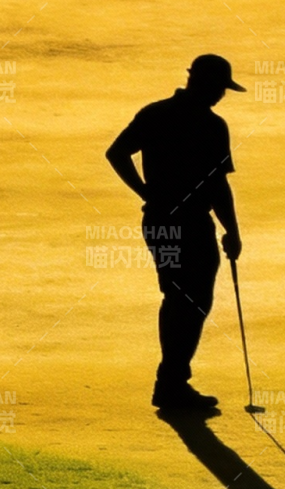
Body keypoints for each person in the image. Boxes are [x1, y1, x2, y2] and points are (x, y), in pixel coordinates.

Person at [105, 54, 245, 417]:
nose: (221, 95)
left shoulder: (157, 113)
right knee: (188, 300)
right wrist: (231, 230)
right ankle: (170, 384)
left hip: (162, 223)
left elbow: (117, 153)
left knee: (182, 298)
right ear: (201, 82)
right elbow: (217, 186)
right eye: (219, 88)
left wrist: (146, 192)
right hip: (186, 224)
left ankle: (172, 382)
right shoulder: (210, 125)